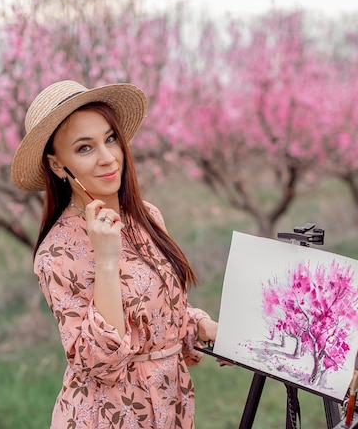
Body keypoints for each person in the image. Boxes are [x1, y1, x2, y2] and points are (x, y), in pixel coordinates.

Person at [11, 80, 218, 428]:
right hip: (112, 414)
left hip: (170, 404)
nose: (108, 158)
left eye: (110, 139)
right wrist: (106, 260)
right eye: (84, 148)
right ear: (58, 165)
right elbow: (97, 363)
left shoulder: (146, 216)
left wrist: (199, 325)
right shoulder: (56, 253)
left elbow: (160, 309)